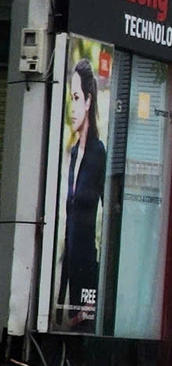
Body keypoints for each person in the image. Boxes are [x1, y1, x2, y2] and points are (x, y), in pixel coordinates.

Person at [59, 57, 106, 330]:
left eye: (76, 97)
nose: (72, 107)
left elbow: (110, 217)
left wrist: (99, 285)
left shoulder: (98, 153)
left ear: (88, 101)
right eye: (70, 98)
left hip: (88, 270)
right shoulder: (74, 151)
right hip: (70, 273)